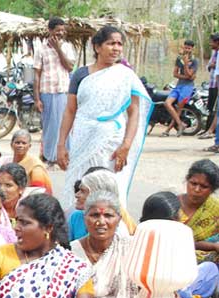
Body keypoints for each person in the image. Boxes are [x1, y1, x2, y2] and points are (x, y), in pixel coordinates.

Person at [57, 26, 151, 211]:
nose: (116, 48)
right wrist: (61, 145)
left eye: (119, 44)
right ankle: (74, 225)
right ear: (97, 47)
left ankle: (109, 228)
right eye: (111, 43)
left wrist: (126, 145)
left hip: (112, 141)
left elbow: (134, 113)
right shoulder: (81, 74)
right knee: (79, 181)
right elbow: (70, 110)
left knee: (109, 184)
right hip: (83, 136)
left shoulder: (125, 75)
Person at [70, 190, 138, 298]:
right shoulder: (70, 252)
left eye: (108, 215)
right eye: (94, 215)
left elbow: (149, 284)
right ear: (84, 218)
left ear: (119, 219)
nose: (101, 222)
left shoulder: (131, 248)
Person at [140, 191, 219, 298]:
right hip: (167, 294)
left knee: (210, 269)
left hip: (175, 288)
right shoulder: (172, 237)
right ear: (173, 217)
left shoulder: (141, 231)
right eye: (179, 213)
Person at [33, 17, 75, 165]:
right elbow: (37, 75)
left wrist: (58, 49)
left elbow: (70, 67)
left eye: (63, 31)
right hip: (47, 91)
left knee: (65, 124)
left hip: (63, 91)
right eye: (57, 31)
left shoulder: (67, 47)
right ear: (50, 31)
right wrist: (37, 99)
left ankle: (65, 154)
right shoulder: (41, 49)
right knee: (50, 125)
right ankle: (50, 156)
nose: (61, 33)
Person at [67, 168, 136, 241]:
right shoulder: (76, 217)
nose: (76, 195)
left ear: (98, 195)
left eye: (82, 191)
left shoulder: (117, 228)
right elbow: (65, 248)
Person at [177, 159, 219, 263]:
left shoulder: (215, 209)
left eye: (204, 186)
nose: (196, 190)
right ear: (187, 181)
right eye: (193, 183)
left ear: (212, 189)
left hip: (206, 263)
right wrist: (212, 246)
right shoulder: (171, 206)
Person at [163, 40, 198, 137]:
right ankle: (180, 124)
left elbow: (190, 74)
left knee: (179, 107)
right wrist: (186, 76)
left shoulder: (194, 60)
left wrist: (186, 64)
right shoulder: (179, 59)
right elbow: (175, 73)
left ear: (192, 49)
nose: (187, 50)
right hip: (178, 86)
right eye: (185, 47)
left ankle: (168, 129)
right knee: (167, 103)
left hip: (188, 87)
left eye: (189, 48)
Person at [10, 129, 52, 194]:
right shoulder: (6, 161)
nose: (20, 146)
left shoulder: (36, 167)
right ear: (11, 144)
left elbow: (38, 191)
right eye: (17, 143)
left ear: (29, 146)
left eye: (24, 143)